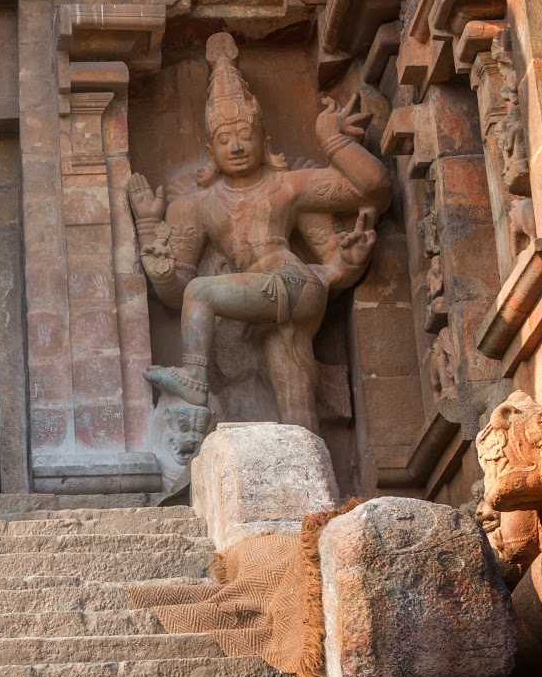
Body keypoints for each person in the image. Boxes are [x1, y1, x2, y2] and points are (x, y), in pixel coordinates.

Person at [129, 33, 389, 432]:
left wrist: (332, 139)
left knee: (203, 290)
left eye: (246, 135)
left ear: (263, 137)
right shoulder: (195, 206)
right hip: (266, 305)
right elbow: (178, 294)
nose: (236, 146)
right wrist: (161, 270)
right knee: (290, 377)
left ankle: (194, 378)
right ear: (209, 148)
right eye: (224, 139)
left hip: (293, 281)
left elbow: (372, 188)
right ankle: (314, 471)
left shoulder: (289, 186)